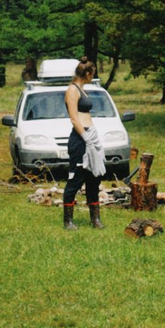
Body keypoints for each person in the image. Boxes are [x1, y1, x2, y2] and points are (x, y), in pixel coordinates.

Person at [62, 57, 106, 230]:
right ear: (87, 73)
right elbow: (74, 118)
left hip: (90, 135)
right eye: (92, 74)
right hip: (80, 139)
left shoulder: (83, 89)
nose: (92, 77)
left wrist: (93, 136)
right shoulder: (73, 90)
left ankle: (95, 219)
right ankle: (68, 221)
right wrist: (85, 136)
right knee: (76, 178)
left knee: (94, 178)